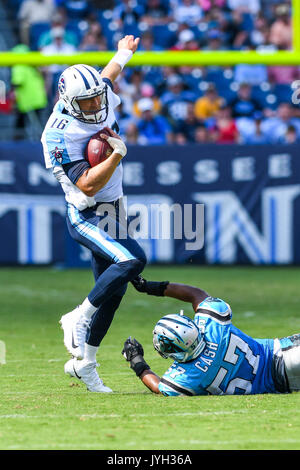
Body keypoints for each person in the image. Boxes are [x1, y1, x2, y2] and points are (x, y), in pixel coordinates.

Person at [41, 35, 147, 393]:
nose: (95, 105)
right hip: (86, 213)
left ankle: (85, 363)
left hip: (114, 208)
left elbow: (108, 75)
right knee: (133, 259)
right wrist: (117, 154)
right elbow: (86, 186)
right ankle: (78, 316)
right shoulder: (58, 134)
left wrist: (123, 53)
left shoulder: (98, 92)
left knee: (114, 291)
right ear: (68, 102)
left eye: (96, 98)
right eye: (85, 102)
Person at [123, 276, 300, 397]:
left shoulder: (188, 376)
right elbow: (196, 294)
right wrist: (149, 286)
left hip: (281, 383)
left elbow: (158, 387)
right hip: (284, 355)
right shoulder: (212, 324)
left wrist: (136, 360)